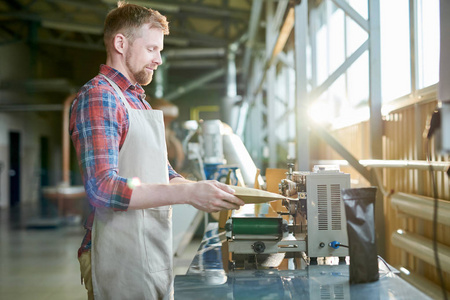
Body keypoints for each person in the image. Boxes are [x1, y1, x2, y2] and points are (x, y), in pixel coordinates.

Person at [69, 2, 244, 299]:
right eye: (152, 49)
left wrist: (204, 189)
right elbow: (101, 188)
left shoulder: (138, 101)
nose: (159, 59)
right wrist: (187, 194)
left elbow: (164, 174)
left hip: (148, 246)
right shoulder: (99, 96)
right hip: (117, 254)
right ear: (121, 43)